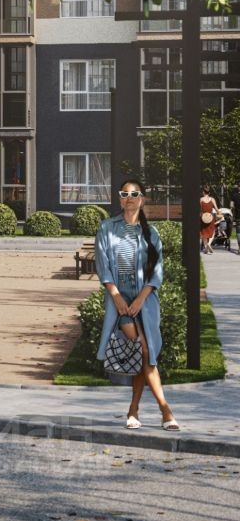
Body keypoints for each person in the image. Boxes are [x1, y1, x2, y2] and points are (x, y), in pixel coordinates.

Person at [95, 178, 179, 431]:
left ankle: (134, 410)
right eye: (125, 194)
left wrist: (142, 298)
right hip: (120, 302)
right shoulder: (107, 228)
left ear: (142, 199)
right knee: (143, 351)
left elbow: (157, 272)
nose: (129, 198)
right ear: (120, 199)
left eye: (134, 194)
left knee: (145, 353)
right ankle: (165, 409)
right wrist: (116, 296)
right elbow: (103, 265)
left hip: (146, 301)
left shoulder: (151, 233)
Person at [200, 187, 219, 254]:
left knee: (204, 233)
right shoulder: (212, 199)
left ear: (203, 192)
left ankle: (206, 249)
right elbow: (216, 208)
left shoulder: (201, 199)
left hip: (203, 218)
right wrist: (219, 213)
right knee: (213, 231)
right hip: (210, 217)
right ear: (209, 193)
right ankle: (209, 243)